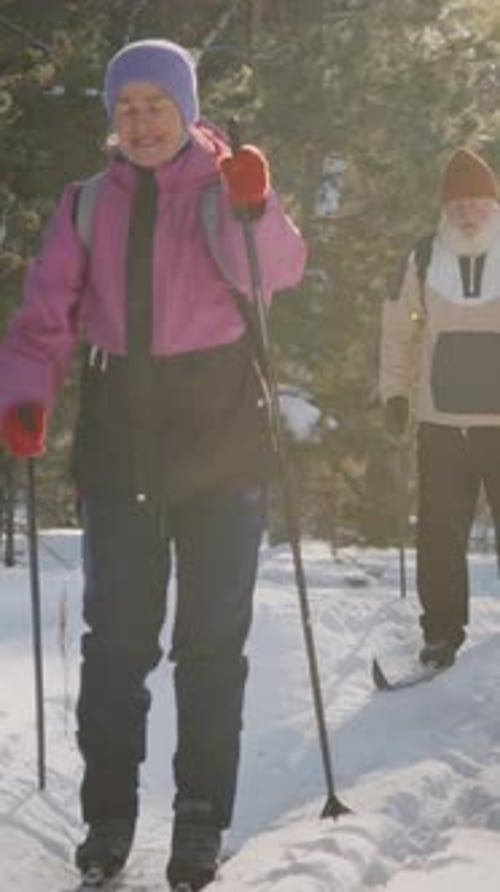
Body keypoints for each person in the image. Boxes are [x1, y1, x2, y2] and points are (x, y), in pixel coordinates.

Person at [0, 38, 306, 890]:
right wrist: (25, 396)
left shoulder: (226, 187)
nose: (139, 122)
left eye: (155, 105)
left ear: (187, 108)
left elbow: (278, 272)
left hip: (219, 435)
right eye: (125, 106)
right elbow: (43, 320)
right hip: (121, 435)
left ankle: (201, 818)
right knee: (117, 642)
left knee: (211, 644)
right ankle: (108, 818)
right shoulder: (86, 204)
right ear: (112, 117)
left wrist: (257, 204)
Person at [379, 146, 500, 671]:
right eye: (457, 203)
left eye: (476, 201)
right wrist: (396, 396)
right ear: (444, 207)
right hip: (440, 423)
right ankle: (441, 633)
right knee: (438, 535)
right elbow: (395, 330)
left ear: (492, 203)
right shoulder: (422, 256)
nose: (466, 211)